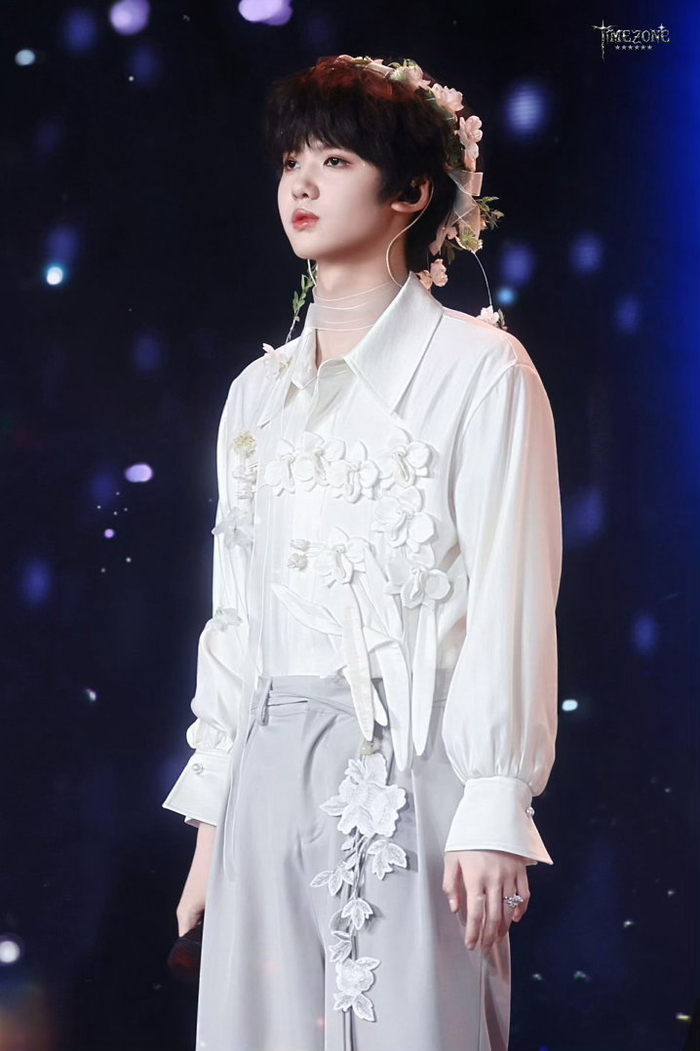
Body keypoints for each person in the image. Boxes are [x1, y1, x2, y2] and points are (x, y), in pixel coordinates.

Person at [162, 54, 562, 1051]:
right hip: (264, 780)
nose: (300, 183)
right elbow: (237, 615)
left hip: (415, 769)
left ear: (412, 192)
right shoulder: (257, 397)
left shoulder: (481, 371)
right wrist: (211, 824)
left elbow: (511, 593)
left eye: (335, 161)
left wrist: (493, 801)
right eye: (291, 160)